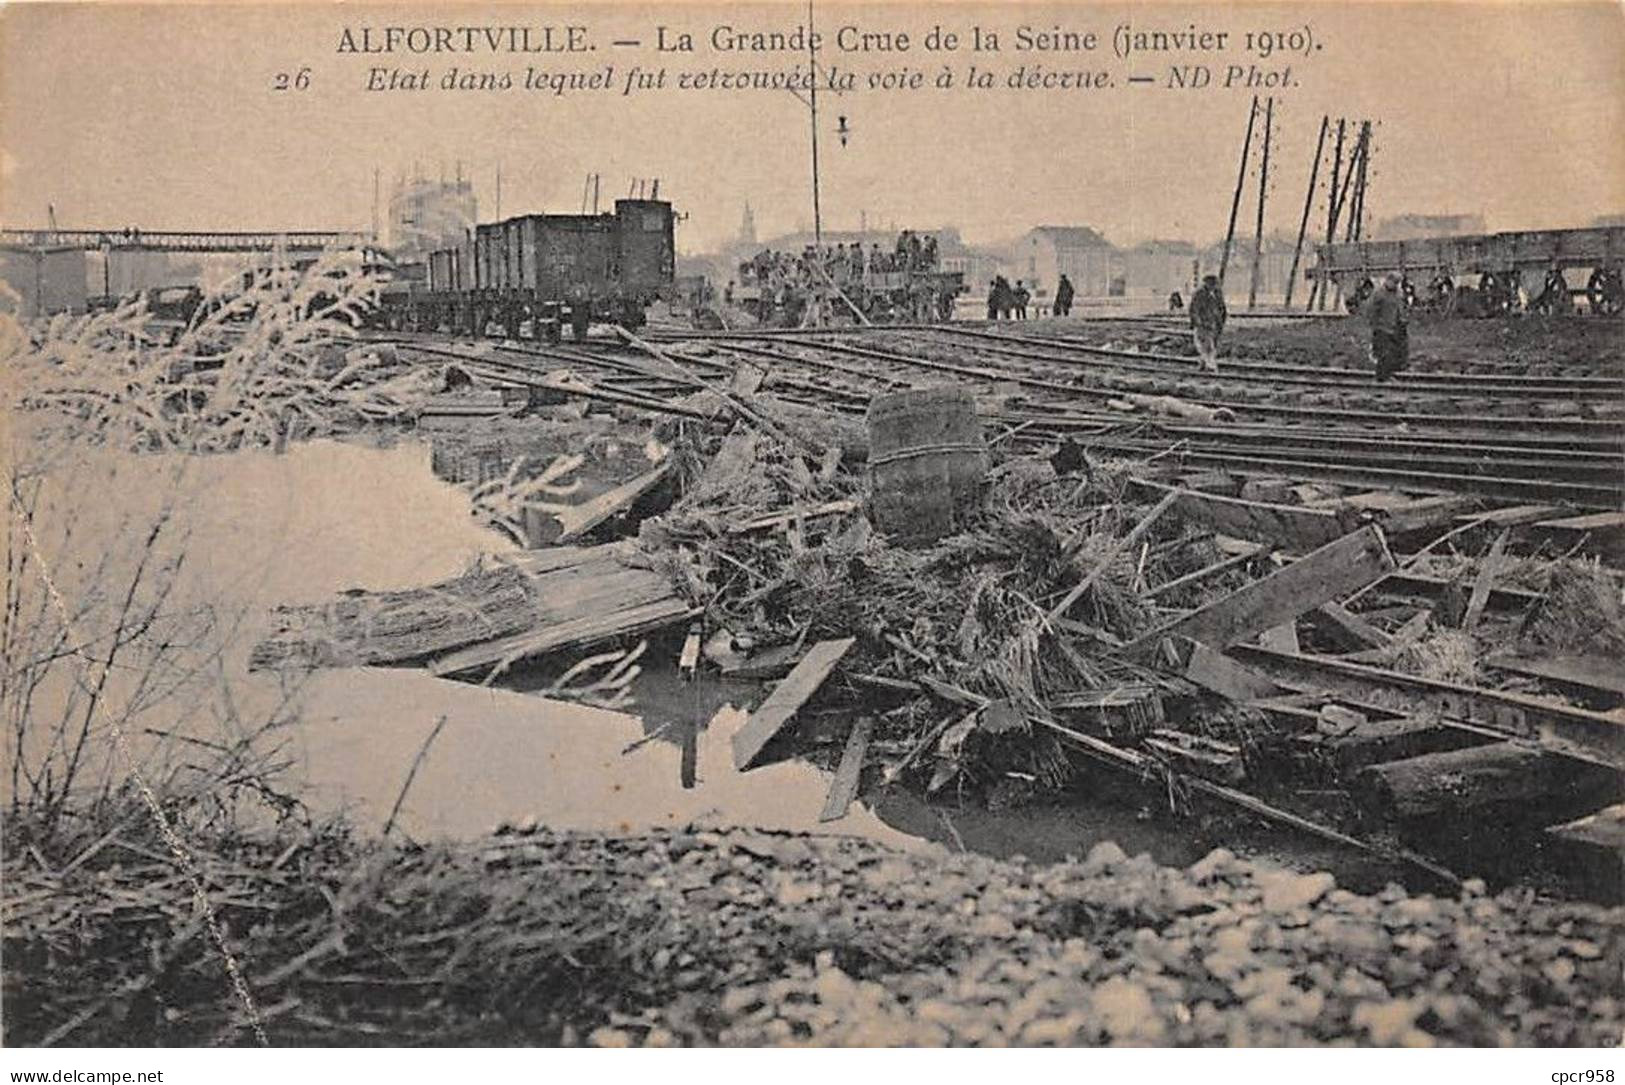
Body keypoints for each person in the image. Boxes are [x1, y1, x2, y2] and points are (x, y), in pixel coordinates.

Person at [1365, 271, 1409, 380]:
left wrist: (1403, 321)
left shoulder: (1399, 293)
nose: (1395, 285)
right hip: (1382, 327)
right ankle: (1382, 377)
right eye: (1394, 282)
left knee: (1396, 352)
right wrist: (1375, 325)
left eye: (1397, 282)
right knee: (1384, 353)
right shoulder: (1379, 293)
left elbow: (1401, 308)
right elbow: (1371, 310)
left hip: (1396, 327)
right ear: (1388, 281)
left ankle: (1391, 373)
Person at [1189, 275, 1227, 371]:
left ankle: (1203, 363)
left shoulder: (1218, 293)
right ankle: (1210, 365)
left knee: (1211, 344)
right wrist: (1198, 322)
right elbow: (1194, 309)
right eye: (1211, 284)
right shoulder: (1199, 294)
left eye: (1214, 284)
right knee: (1207, 345)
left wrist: (1222, 322)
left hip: (1215, 324)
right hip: (1203, 323)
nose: (1213, 286)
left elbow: (1222, 308)